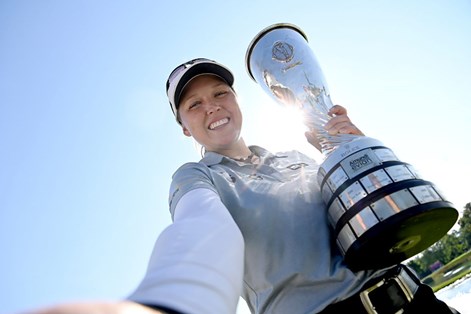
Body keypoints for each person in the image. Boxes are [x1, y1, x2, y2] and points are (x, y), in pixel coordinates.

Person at [30, 58, 459, 314]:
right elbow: (203, 229)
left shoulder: (296, 157)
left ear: (236, 100)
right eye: (194, 104)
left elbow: (371, 221)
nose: (211, 107)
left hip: (416, 298)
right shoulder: (197, 178)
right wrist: (169, 301)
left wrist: (355, 151)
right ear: (184, 128)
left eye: (220, 93)